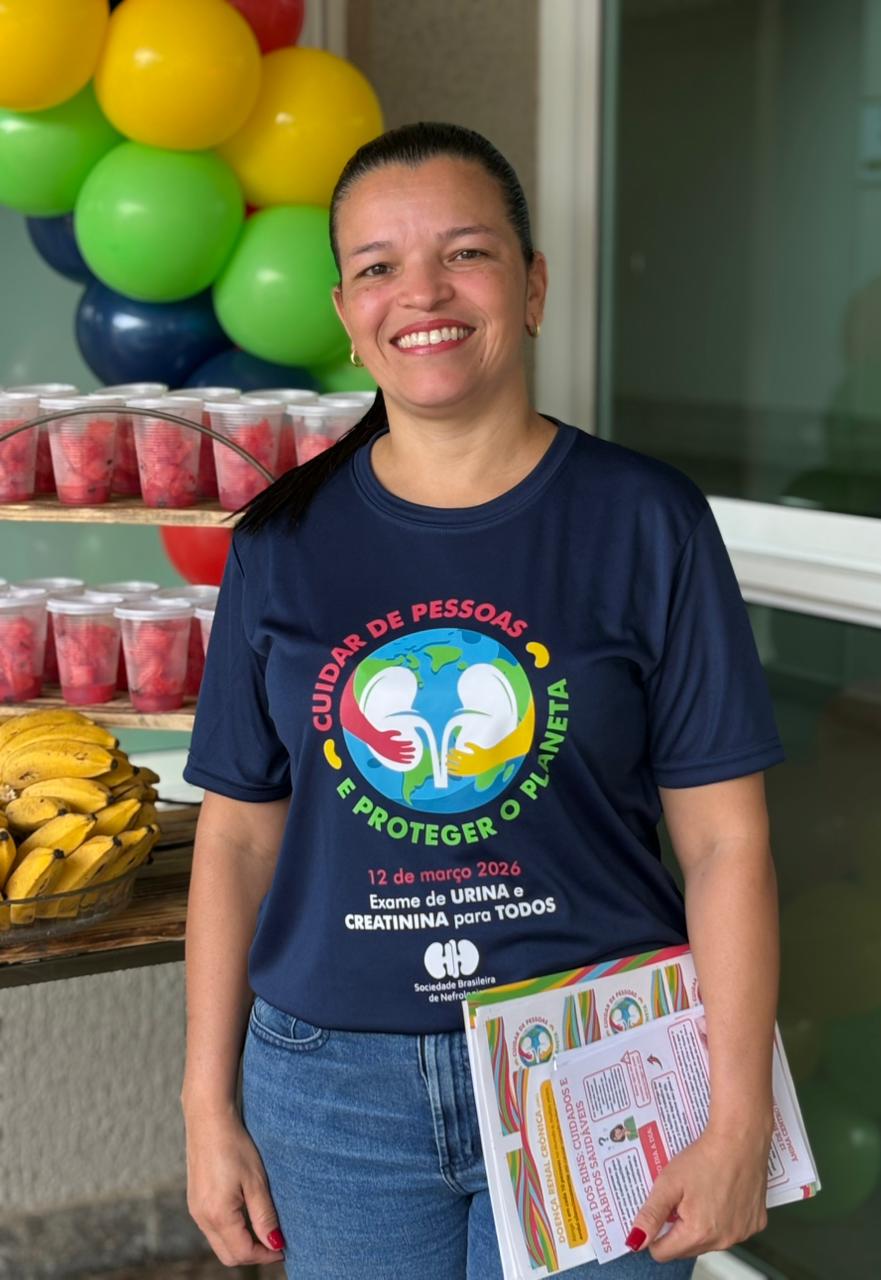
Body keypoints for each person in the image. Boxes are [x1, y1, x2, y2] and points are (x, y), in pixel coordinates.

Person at [179, 121, 783, 1279]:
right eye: (379, 266)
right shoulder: (280, 543)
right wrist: (206, 1103)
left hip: (598, 1059)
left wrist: (738, 1111)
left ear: (533, 284)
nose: (423, 292)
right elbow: (239, 838)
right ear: (347, 313)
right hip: (337, 1089)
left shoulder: (645, 519)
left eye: (466, 253)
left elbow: (725, 841)